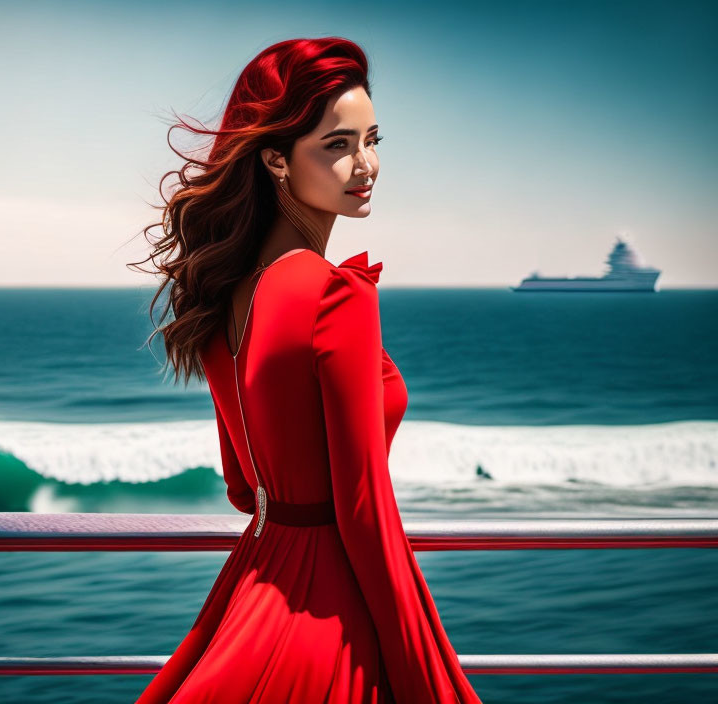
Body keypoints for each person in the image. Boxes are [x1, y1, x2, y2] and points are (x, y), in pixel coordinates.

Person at [132, 36, 483, 704]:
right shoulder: (333, 295)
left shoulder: (222, 294)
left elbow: (244, 487)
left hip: (251, 589)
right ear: (276, 160)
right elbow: (364, 512)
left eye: (372, 140)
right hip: (331, 619)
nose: (366, 165)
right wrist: (425, 679)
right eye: (337, 145)